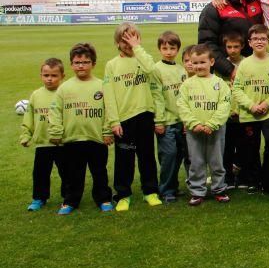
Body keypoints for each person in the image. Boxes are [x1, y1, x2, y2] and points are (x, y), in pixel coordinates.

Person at [48, 43, 121, 215]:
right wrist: (56, 132)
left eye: (86, 62)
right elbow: (55, 111)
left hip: (96, 139)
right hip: (72, 139)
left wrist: (107, 131)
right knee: (74, 174)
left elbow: (109, 110)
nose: (81, 65)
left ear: (93, 64)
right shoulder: (64, 87)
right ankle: (70, 200)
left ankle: (103, 198)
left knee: (99, 172)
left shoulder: (102, 85)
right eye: (77, 62)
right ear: (71, 64)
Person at [104, 23, 164, 211]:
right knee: (124, 158)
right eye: (124, 39)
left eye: (133, 38)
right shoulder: (112, 65)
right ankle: (123, 195)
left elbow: (152, 71)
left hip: (145, 115)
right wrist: (114, 121)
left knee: (147, 156)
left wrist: (137, 48)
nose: (129, 43)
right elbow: (109, 95)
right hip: (124, 119)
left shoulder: (143, 59)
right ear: (117, 42)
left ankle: (150, 192)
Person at [177, 44, 232, 205]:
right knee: (196, 161)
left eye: (202, 62)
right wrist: (194, 124)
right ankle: (197, 191)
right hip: (194, 130)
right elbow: (182, 105)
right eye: (195, 63)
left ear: (212, 62)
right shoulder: (187, 84)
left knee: (217, 161)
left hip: (215, 130)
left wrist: (212, 124)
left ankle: (219, 189)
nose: (198, 66)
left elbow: (224, 105)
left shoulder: (220, 83)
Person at [231, 24, 269, 194]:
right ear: (249, 42)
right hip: (249, 114)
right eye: (255, 39)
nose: (259, 41)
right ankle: (254, 180)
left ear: (268, 41)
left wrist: (266, 104)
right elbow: (236, 89)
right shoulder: (244, 64)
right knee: (250, 149)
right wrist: (252, 105)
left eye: (263, 38)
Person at [198, 0, 264, 81]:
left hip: (257, 70)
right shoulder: (213, 8)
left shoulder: (258, 1)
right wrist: (230, 70)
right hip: (228, 75)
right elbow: (206, 44)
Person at [21, 58, 67, 211]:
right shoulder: (36, 95)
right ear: (41, 75)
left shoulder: (65, 93)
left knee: (67, 172)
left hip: (63, 142)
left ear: (62, 76)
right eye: (46, 75)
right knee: (40, 173)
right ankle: (39, 198)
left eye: (54, 75)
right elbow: (29, 117)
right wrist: (26, 135)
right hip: (43, 142)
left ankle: (68, 197)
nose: (49, 79)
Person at [153, 31, 188, 204]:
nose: (168, 51)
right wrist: (159, 120)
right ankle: (166, 190)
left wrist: (186, 120)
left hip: (181, 121)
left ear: (177, 49)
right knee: (168, 155)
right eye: (164, 48)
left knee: (180, 155)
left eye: (172, 48)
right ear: (159, 49)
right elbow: (157, 97)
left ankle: (173, 187)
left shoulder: (181, 69)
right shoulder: (156, 69)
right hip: (166, 122)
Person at [221, 33, 243, 189]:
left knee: (243, 148)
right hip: (226, 116)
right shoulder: (221, 66)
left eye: (236, 46)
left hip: (243, 114)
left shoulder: (247, 63)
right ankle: (227, 178)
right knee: (226, 148)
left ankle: (242, 177)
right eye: (229, 47)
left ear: (242, 46)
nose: (233, 50)